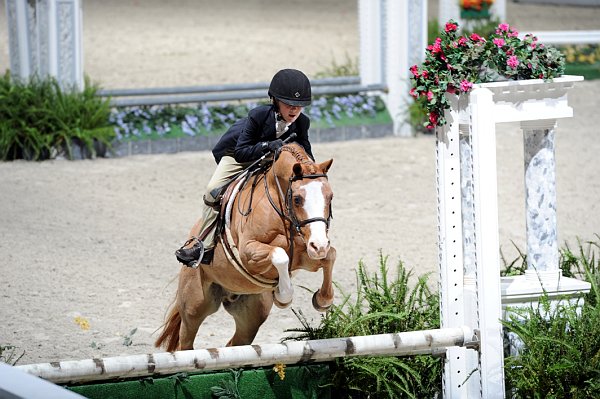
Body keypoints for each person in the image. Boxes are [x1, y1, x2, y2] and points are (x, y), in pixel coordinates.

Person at [175, 68, 315, 267]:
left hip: (270, 160)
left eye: (299, 106)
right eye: (288, 104)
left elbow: (305, 152)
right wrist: (267, 146)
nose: (294, 110)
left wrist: (312, 173)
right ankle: (203, 246)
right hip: (239, 156)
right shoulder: (258, 115)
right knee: (212, 192)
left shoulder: (302, 122)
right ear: (275, 101)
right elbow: (242, 151)